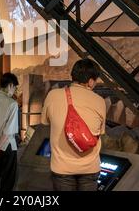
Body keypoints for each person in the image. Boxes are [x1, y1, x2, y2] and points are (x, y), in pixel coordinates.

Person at [41, 59, 106, 191]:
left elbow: (45, 122)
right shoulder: (100, 101)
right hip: (90, 168)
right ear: (91, 81)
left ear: (73, 76)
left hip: (62, 168)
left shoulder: (53, 95)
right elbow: (100, 132)